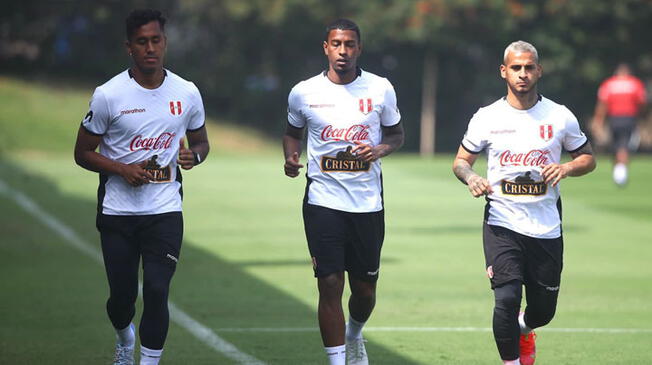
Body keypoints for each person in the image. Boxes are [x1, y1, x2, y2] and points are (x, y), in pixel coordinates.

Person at [73, 9, 209, 365]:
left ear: (164, 43)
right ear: (129, 47)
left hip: (165, 211)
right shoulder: (109, 95)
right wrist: (121, 169)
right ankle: (124, 337)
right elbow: (82, 153)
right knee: (121, 300)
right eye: (141, 42)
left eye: (156, 40)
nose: (150, 48)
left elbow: (201, 142)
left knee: (157, 290)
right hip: (118, 213)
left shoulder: (187, 92)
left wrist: (195, 157)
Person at [452, 41, 596, 365]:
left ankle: (524, 328)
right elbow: (461, 161)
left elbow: (588, 158)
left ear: (539, 71)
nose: (522, 74)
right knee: (506, 297)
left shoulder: (559, 116)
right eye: (516, 67)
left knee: (543, 311)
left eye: (529, 67)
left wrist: (566, 167)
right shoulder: (487, 117)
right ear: (504, 71)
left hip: (545, 225)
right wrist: (470, 177)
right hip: (502, 221)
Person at [283, 18, 404, 365]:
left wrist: (379, 150)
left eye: (350, 45)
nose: (343, 51)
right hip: (323, 200)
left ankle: (354, 333)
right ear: (326, 48)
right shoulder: (304, 92)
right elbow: (292, 132)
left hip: (367, 203)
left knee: (364, 289)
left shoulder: (380, 89)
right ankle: (338, 361)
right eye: (336, 44)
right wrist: (291, 157)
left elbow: (396, 135)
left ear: (359, 49)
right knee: (330, 282)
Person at [592, 63, 647, 186]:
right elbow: (642, 103)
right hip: (629, 118)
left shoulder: (609, 84)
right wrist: (642, 117)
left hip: (614, 119)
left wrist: (598, 120)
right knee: (624, 146)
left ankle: (618, 171)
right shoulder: (635, 83)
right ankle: (621, 174)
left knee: (616, 145)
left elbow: (602, 104)